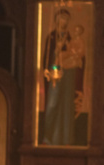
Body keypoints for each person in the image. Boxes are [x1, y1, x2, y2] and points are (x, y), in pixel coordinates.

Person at [42, 8, 78, 145]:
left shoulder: (69, 37)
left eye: (67, 18)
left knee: (66, 104)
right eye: (62, 18)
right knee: (53, 103)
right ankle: (48, 137)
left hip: (68, 73)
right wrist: (47, 69)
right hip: (55, 71)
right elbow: (47, 56)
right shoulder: (51, 36)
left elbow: (75, 53)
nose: (65, 21)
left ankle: (65, 139)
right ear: (57, 19)